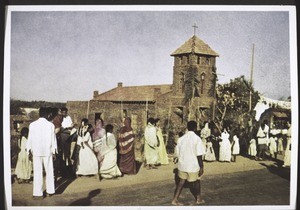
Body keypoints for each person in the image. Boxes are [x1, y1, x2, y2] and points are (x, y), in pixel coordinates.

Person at [172, 121, 206, 206]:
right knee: (197, 181)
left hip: (182, 165)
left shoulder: (181, 139)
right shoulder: (197, 139)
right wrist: (201, 167)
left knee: (181, 182)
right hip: (193, 165)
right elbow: (199, 155)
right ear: (195, 128)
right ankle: (198, 199)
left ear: (187, 127)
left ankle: (175, 199)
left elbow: (177, 153)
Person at [26, 107, 57, 198]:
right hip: (47, 151)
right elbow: (53, 139)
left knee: (37, 172)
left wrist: (29, 151)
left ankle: (38, 193)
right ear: (47, 115)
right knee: (49, 171)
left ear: (39, 114)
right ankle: (50, 191)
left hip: (36, 151)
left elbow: (30, 139)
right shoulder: (51, 125)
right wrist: (54, 152)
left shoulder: (32, 125)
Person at [60, 107, 74, 173]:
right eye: (63, 112)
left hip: (68, 135)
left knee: (67, 152)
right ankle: (62, 167)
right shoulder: (60, 118)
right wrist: (65, 129)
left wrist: (67, 128)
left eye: (65, 112)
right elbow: (61, 128)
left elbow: (71, 127)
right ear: (61, 112)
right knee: (62, 152)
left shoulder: (68, 118)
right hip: (62, 135)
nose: (64, 113)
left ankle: (68, 167)